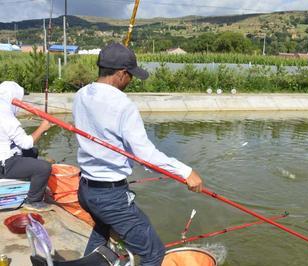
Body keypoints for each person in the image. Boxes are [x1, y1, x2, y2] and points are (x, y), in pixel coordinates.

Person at [73, 43, 204, 266]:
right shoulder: (124, 105)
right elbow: (145, 156)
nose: (131, 81)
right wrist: (186, 171)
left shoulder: (81, 94)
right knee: (154, 254)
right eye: (130, 75)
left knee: (101, 236)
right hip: (110, 196)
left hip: (86, 190)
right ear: (121, 74)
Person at [0, 81, 53, 211]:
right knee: (44, 168)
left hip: (4, 157)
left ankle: (31, 183)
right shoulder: (6, 117)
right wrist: (42, 127)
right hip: (5, 164)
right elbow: (26, 143)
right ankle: (33, 200)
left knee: (32, 152)